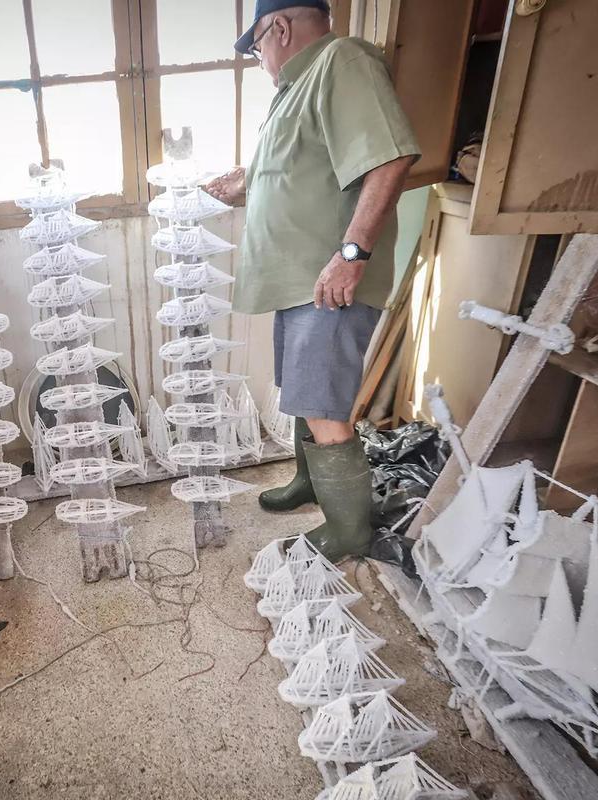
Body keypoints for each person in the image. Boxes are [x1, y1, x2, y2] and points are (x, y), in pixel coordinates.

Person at [205, 0, 420, 562]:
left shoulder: (341, 61)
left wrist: (351, 254)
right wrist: (247, 181)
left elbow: (389, 159)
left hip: (329, 280)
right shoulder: (298, 87)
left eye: (255, 47)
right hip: (300, 278)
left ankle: (349, 530)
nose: (259, 59)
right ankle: (311, 482)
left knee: (324, 406)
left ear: (277, 27)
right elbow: (306, 167)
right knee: (303, 393)